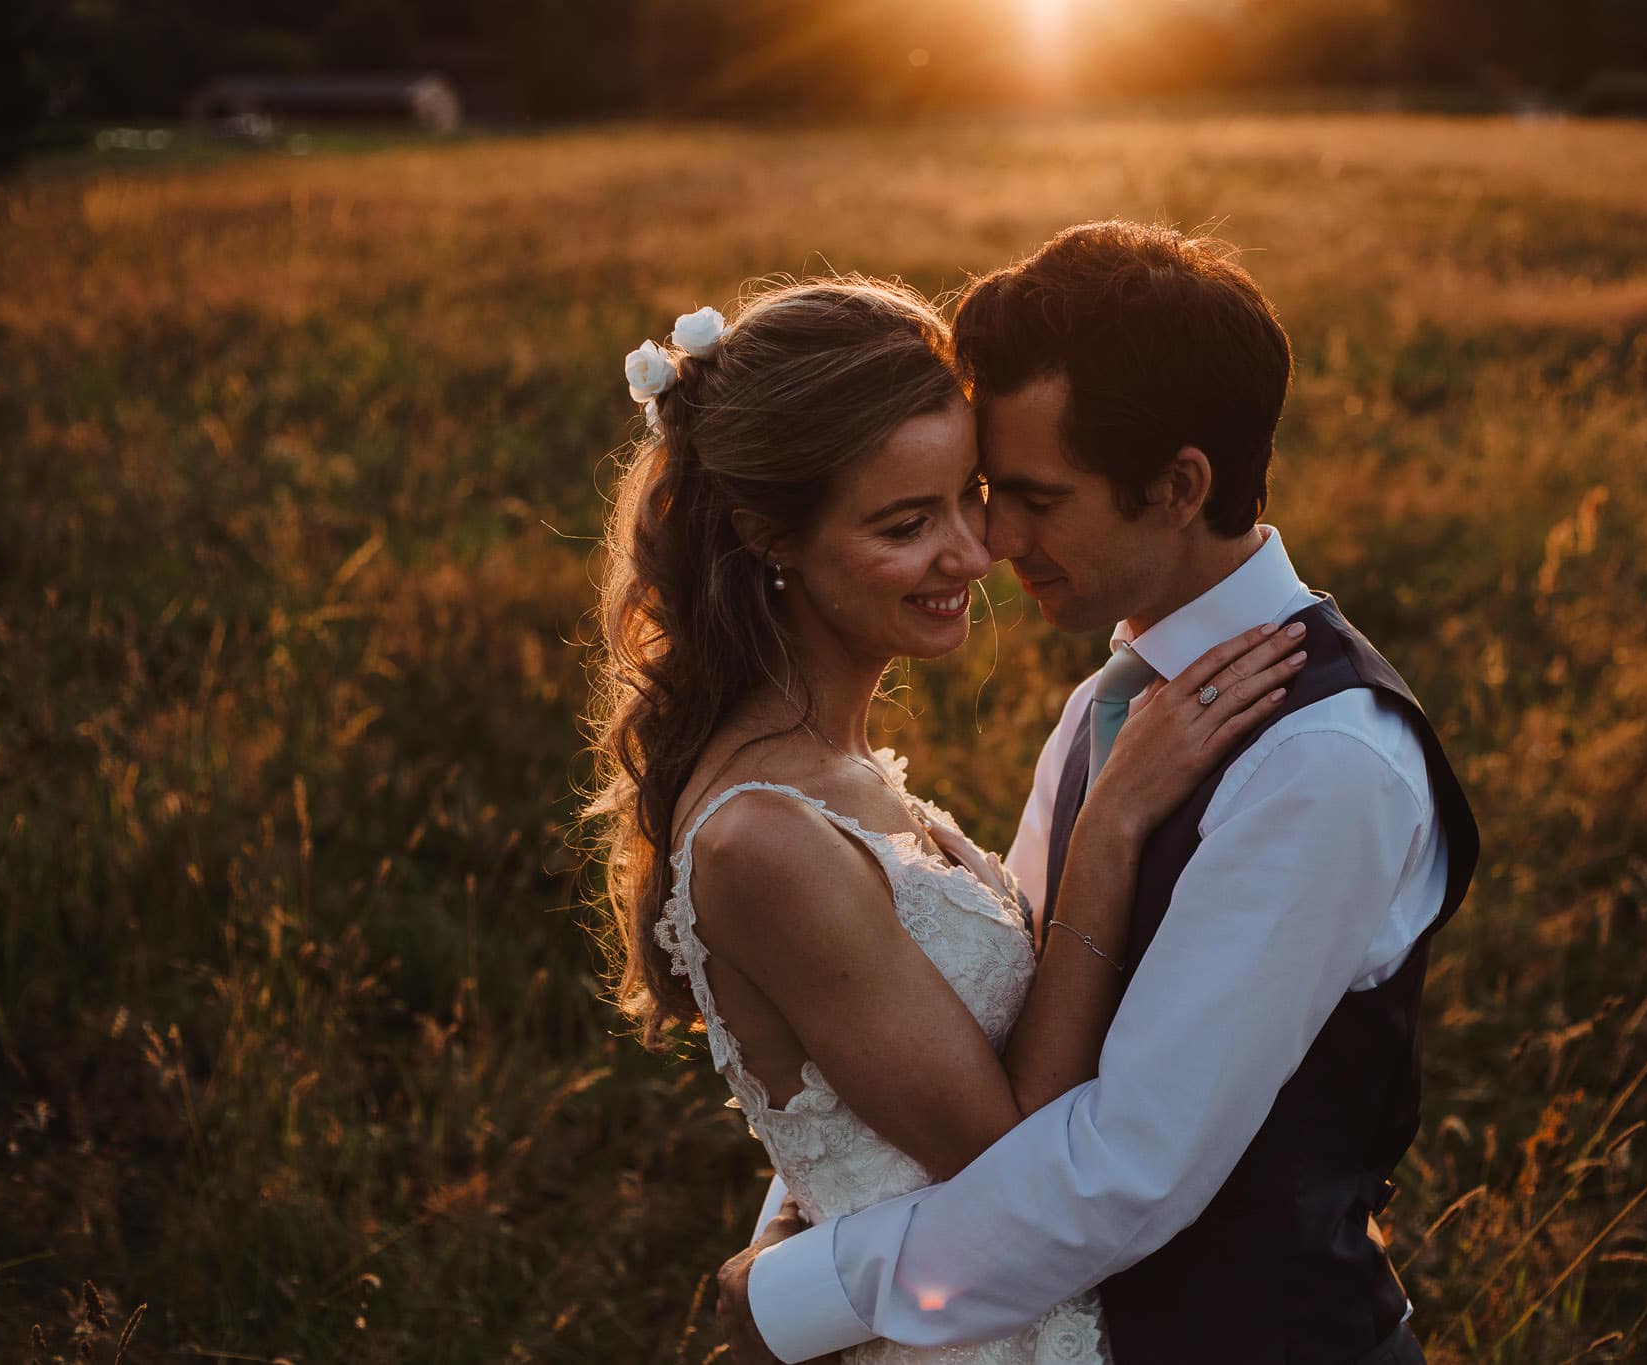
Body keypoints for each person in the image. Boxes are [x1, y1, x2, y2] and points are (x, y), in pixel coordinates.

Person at [716, 224, 1480, 1365]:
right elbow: (1008, 1037)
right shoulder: (1112, 708)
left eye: (1032, 498)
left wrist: (803, 1293)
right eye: (982, 492)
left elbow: (1129, 1166)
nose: (988, 542)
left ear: (1177, 486)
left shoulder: (1323, 761)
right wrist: (804, 1208)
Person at [586, 276, 1308, 1364]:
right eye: (903, 524)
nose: (975, 556)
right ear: (768, 539)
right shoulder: (763, 838)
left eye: (966, 496)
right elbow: (1015, 1159)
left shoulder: (841, 772)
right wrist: (1107, 829)